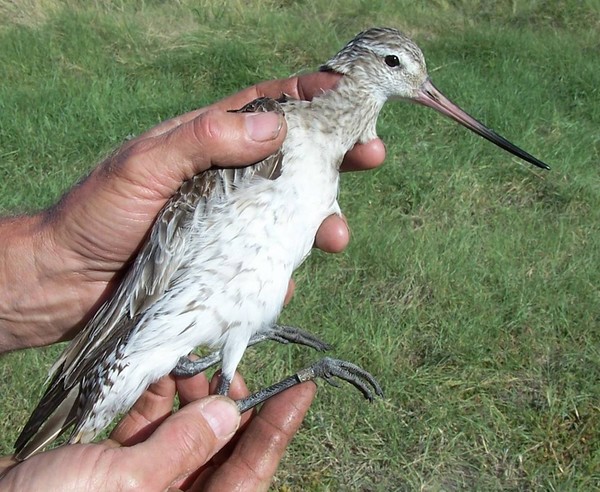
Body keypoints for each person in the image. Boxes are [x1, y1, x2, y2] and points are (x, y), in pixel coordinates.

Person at [0, 71, 385, 490]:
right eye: (394, 64)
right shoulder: (276, 124)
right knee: (222, 404)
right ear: (362, 68)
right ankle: (304, 371)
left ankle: (260, 354)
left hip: (187, 322)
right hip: (145, 333)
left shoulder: (325, 172)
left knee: (219, 382)